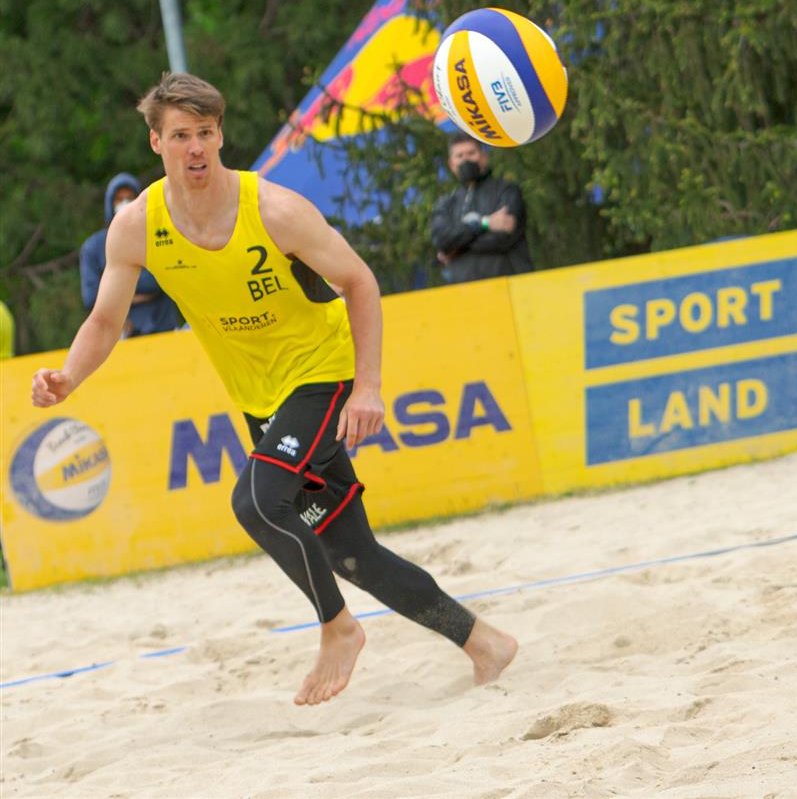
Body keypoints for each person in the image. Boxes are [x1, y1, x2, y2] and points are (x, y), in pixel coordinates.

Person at [32, 73, 517, 705]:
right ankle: (483, 643)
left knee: (256, 503)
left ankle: (338, 628)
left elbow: (360, 282)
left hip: (323, 372)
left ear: (220, 135)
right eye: (180, 135)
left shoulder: (273, 210)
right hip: (261, 398)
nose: (195, 147)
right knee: (353, 556)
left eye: (205, 132)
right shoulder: (137, 227)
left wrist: (368, 388)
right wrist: (69, 376)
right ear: (156, 142)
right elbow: (104, 321)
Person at [81, 173, 181, 337]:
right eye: (119, 199)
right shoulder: (93, 246)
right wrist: (141, 294)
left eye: (129, 198)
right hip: (119, 337)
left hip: (163, 330)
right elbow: (91, 297)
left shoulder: (158, 235)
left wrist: (114, 293)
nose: (124, 203)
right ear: (109, 203)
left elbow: (159, 282)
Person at [430, 132, 534, 283]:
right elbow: (441, 240)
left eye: (471, 153)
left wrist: (456, 248)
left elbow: (503, 238)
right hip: (465, 292)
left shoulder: (506, 191)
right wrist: (485, 223)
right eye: (459, 156)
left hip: (510, 287)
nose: (466, 160)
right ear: (451, 164)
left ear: (484, 157)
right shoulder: (446, 203)